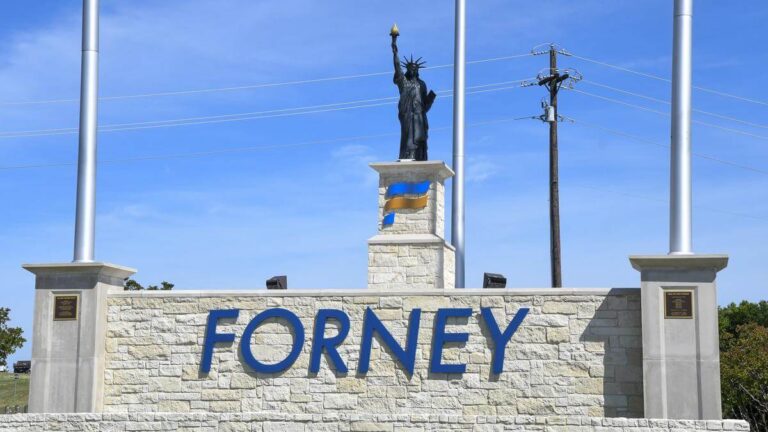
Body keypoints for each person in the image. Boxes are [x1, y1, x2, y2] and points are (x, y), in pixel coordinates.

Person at [391, 33, 436, 161]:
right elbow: (397, 67)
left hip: (420, 116)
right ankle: (408, 156)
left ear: (418, 70)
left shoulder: (422, 84)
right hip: (407, 114)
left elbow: (425, 106)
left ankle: (420, 156)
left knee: (420, 138)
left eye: (415, 68)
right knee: (408, 137)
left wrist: (430, 99)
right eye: (410, 68)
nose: (412, 70)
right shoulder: (403, 82)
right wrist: (394, 49)